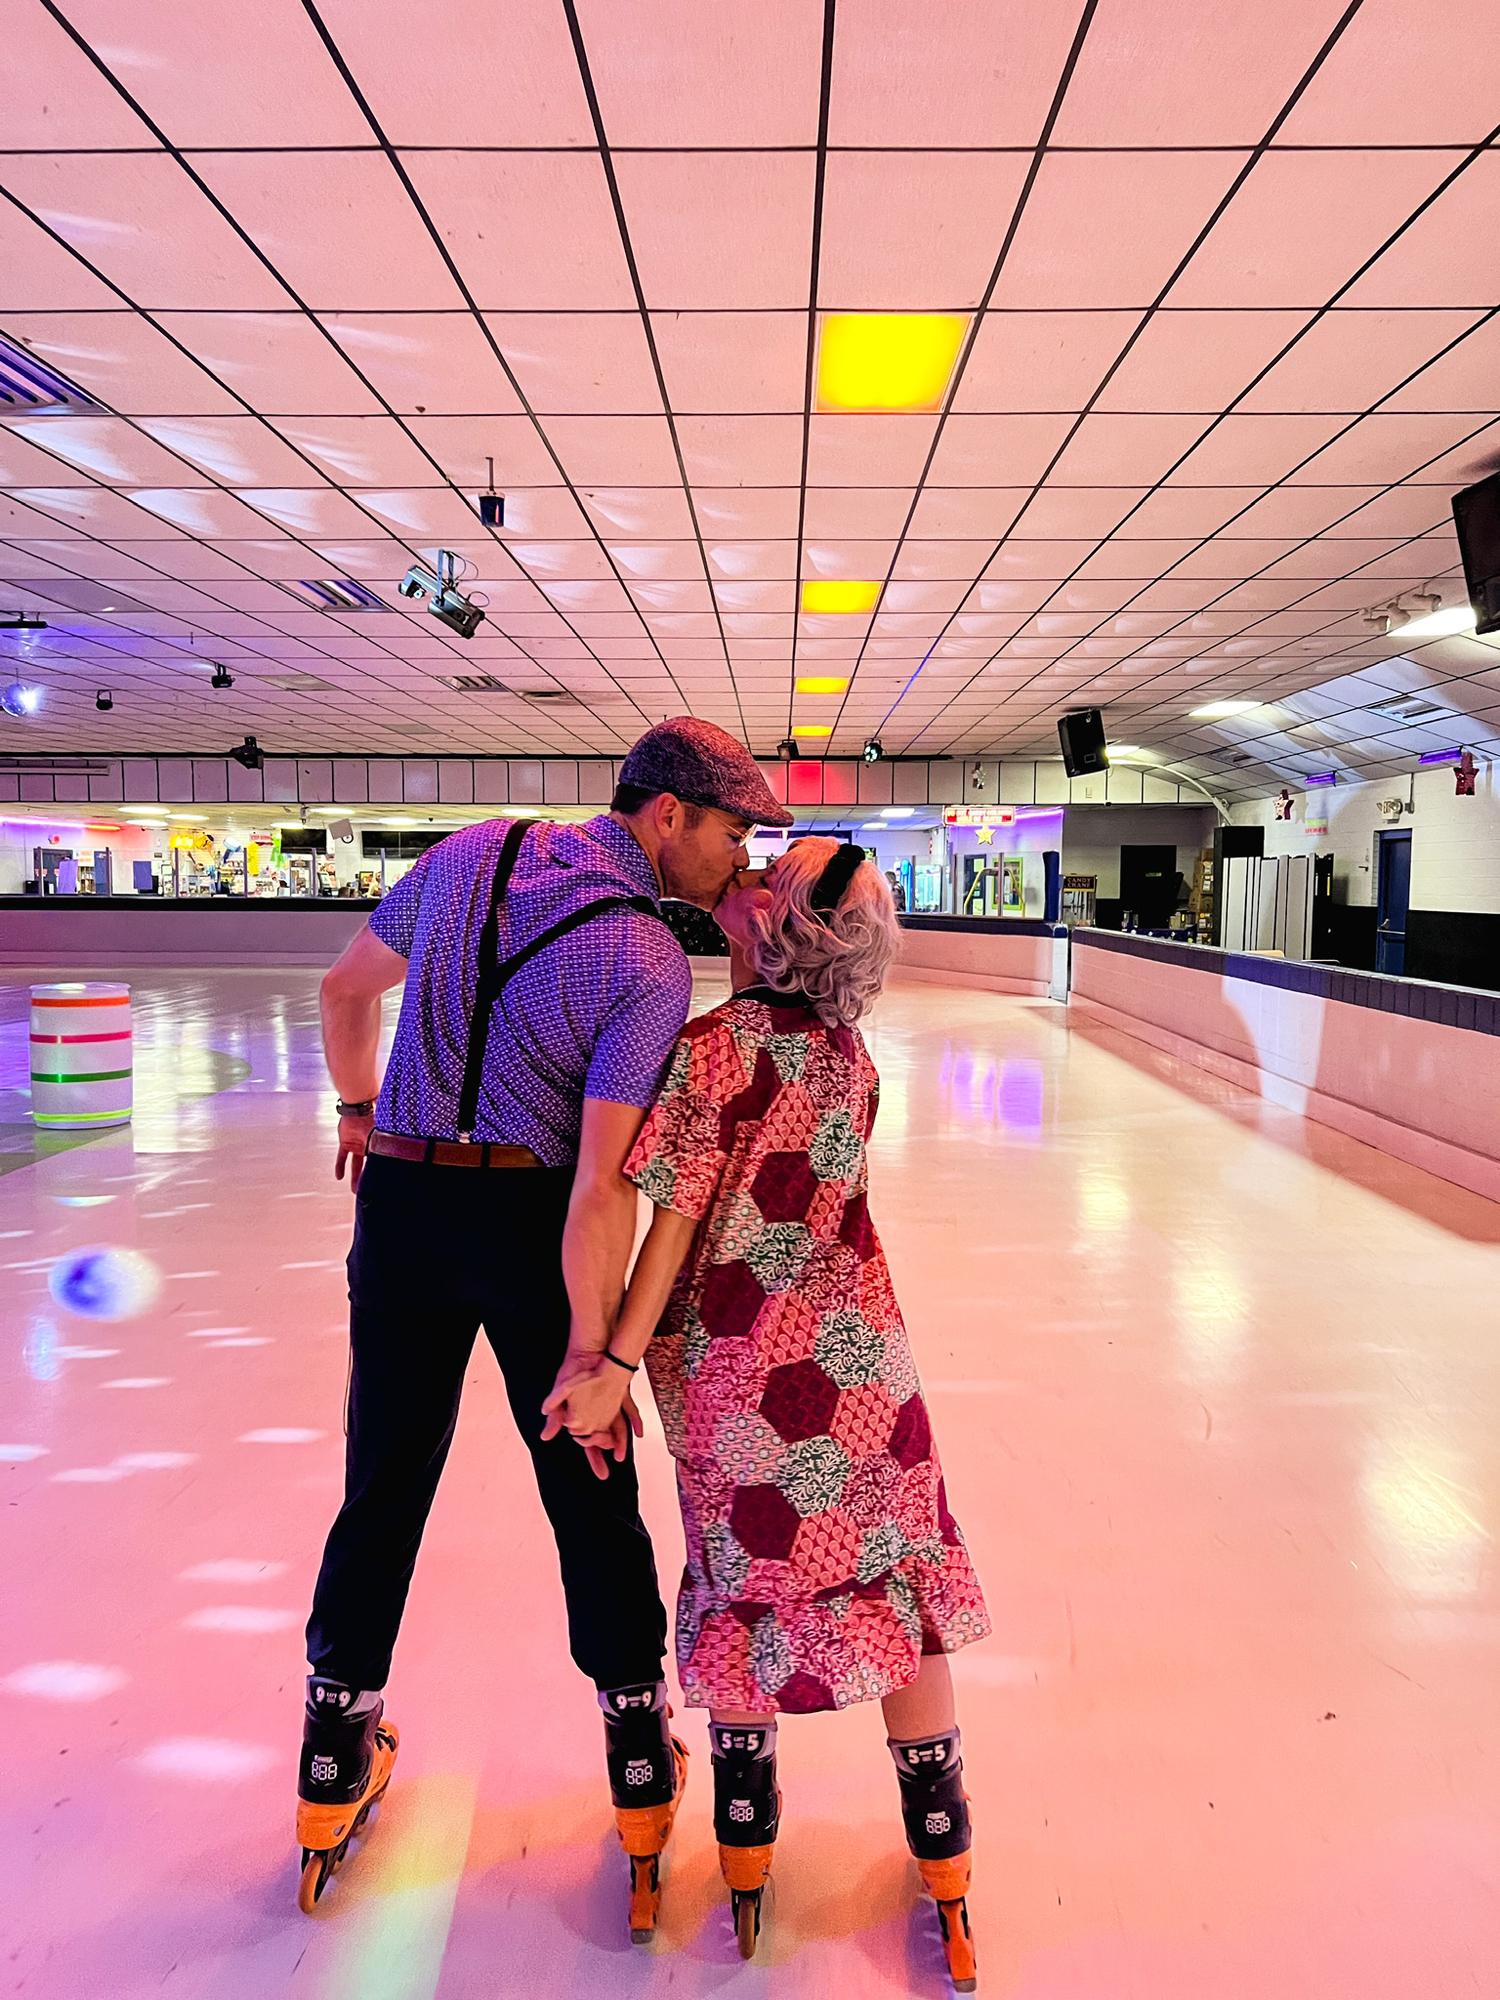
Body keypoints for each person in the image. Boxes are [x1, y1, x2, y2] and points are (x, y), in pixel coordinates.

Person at [293, 718, 793, 1931]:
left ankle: (329, 1755)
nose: (742, 859)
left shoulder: (468, 854)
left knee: (383, 1478)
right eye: (734, 832)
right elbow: (602, 1186)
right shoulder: (647, 959)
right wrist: (596, 1348)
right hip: (529, 1218)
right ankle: (635, 1751)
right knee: (587, 1474)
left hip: (404, 1207)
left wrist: (360, 1104)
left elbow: (344, 988)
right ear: (666, 814)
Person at [545, 838, 990, 1985]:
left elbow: (676, 1223)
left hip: (742, 1380)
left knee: (743, 1588)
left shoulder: (711, 1054)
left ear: (768, 927)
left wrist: (610, 1357)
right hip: (865, 1367)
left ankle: (745, 1835)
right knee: (895, 1582)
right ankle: (942, 1845)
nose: (740, 879)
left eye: (765, 877)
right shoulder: (854, 1061)